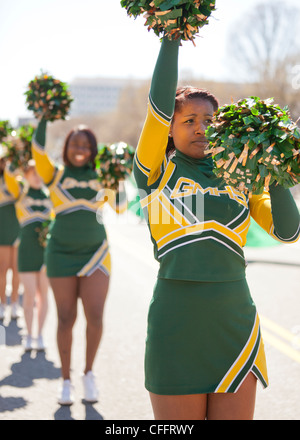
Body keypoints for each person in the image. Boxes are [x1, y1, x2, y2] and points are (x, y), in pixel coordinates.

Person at [133, 37, 300, 420]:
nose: (201, 128)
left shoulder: (241, 176)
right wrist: (173, 35)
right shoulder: (156, 170)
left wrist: (273, 169)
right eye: (188, 120)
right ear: (170, 130)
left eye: (209, 121)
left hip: (234, 321)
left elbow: (289, 232)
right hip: (175, 321)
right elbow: (156, 108)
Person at [32, 120, 127, 405]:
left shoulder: (103, 176)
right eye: (75, 144)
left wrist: (119, 175)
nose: (80, 149)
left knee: (95, 315)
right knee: (65, 318)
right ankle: (65, 380)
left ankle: (88, 374)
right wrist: (44, 117)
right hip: (60, 252)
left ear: (93, 150)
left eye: (86, 145)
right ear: (67, 147)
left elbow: (120, 207)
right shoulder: (55, 175)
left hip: (96, 252)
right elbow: (37, 150)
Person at [4, 160, 51, 351]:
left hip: (45, 252)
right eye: (33, 173)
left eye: (40, 173)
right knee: (29, 295)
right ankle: (29, 335)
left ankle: (39, 335)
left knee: (43, 295)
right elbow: (8, 175)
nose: (38, 177)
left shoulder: (51, 195)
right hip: (26, 250)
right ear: (26, 175)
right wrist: (16, 155)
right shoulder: (20, 194)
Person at [0, 156, 20, 321]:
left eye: (5, 160)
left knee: (16, 270)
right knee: (2, 270)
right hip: (2, 229)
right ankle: (2, 303)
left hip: (17, 228)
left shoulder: (16, 180)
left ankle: (14, 303)